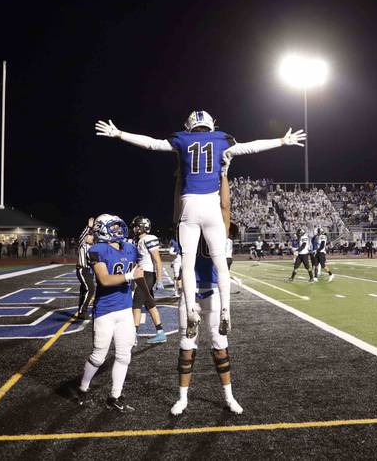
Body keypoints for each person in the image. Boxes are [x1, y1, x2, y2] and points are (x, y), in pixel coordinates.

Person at [96, 112, 305, 338]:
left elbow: (151, 144)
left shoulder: (182, 139)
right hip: (212, 205)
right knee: (221, 263)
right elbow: (250, 147)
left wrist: (119, 134)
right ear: (210, 124)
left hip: (190, 205)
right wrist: (282, 141)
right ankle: (226, 310)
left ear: (189, 125)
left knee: (187, 262)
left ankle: (190, 310)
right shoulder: (221, 138)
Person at [171, 236, 242, 416]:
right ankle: (182, 398)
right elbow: (179, 261)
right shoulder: (186, 228)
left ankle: (229, 396)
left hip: (214, 292)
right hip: (190, 292)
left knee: (220, 345)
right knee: (186, 346)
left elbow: (225, 263)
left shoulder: (217, 231)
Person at [76, 214, 141, 411]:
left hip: (125, 310)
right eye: (113, 228)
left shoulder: (130, 248)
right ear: (102, 230)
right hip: (105, 311)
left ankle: (115, 397)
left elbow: (139, 273)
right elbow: (104, 279)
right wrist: (129, 275)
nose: (118, 231)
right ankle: (83, 388)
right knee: (98, 356)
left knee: (124, 355)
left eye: (118, 227)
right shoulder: (98, 250)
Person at [130, 216, 167, 345]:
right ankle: (160, 332)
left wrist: (160, 279)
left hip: (147, 275)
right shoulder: (139, 241)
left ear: (141, 227)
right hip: (142, 274)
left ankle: (132, 336)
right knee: (150, 304)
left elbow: (157, 260)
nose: (133, 228)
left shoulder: (149, 239)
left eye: (136, 226)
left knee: (136, 304)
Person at [75, 218, 96, 320]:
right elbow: (82, 236)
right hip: (82, 269)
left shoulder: (94, 246)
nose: (90, 237)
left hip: (89, 271)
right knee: (90, 289)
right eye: (89, 235)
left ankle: (81, 312)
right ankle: (83, 311)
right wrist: (89, 227)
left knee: (84, 291)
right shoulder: (82, 245)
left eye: (91, 235)